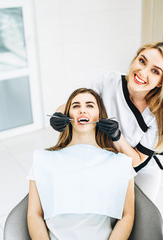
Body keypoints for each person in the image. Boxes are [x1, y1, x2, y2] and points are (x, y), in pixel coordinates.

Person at [50, 42, 163, 201]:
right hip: (107, 158)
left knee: (139, 213)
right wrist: (58, 114)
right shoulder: (109, 81)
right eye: (142, 61)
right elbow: (78, 104)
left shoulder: (158, 116)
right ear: (134, 59)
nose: (142, 71)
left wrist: (117, 136)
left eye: (154, 71)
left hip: (142, 169)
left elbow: (137, 161)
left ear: (161, 81)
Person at [28, 88, 135, 240]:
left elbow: (127, 216)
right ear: (67, 116)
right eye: (76, 106)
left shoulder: (119, 164)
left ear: (100, 116)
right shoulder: (43, 160)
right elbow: (34, 215)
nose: (82, 110)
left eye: (90, 105)